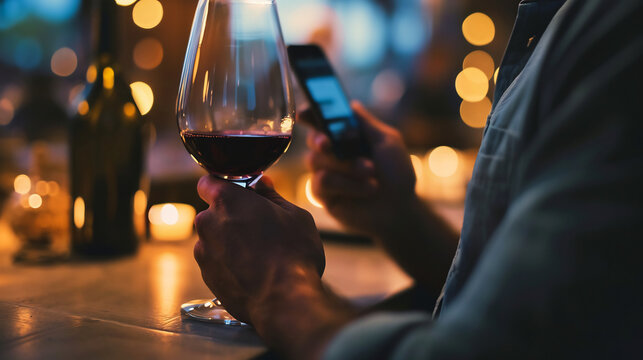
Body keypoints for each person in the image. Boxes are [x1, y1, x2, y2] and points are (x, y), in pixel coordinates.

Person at [192, 0, 643, 358]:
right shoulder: (564, 21)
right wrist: (400, 217)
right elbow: (537, 291)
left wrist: (279, 287)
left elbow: (498, 349)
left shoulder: (616, 28)